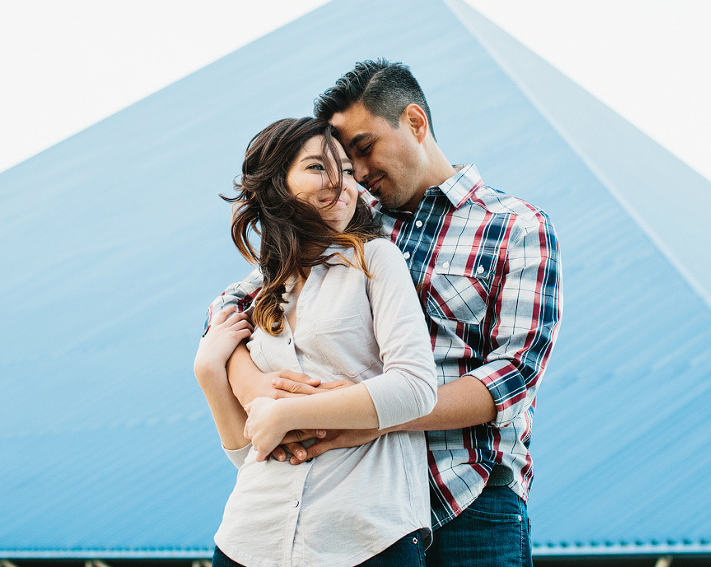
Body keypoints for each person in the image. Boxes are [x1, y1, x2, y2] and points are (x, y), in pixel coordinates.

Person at [211, 60, 563, 567]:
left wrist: (376, 418)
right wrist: (253, 388)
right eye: (339, 162)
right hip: (356, 501)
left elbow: (513, 376)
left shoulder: (515, 226)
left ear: (415, 123)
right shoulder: (349, 221)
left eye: (362, 148)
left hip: (467, 496)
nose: (352, 173)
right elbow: (233, 306)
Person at [194, 116, 438, 567]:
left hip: (366, 536)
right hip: (249, 539)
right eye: (317, 168)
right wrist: (209, 372)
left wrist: (287, 411)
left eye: (346, 170)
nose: (342, 183)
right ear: (276, 185)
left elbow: (417, 388)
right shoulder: (263, 291)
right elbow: (252, 450)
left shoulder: (375, 260)